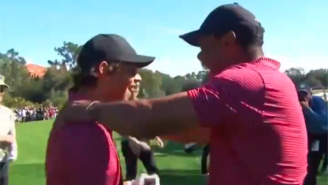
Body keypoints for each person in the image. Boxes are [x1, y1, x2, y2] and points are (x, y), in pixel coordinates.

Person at [59, 3, 308, 185]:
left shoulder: (244, 81)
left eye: (203, 46)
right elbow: (196, 131)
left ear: (228, 41)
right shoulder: (270, 78)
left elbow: (148, 119)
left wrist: (90, 110)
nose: (200, 56)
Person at [45, 34, 155, 185]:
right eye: (131, 71)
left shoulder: (85, 115)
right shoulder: (86, 131)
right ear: (103, 70)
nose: (138, 78)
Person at [121, 74, 163, 184]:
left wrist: (156, 136)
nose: (135, 89)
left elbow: (147, 123)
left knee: (154, 173)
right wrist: (134, 142)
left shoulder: (140, 104)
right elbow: (123, 129)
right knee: (131, 176)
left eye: (137, 87)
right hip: (130, 145)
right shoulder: (123, 105)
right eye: (133, 87)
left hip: (143, 143)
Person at [298, 86, 328, 185]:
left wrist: (307, 109)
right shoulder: (296, 103)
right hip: (308, 136)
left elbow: (321, 124)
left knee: (312, 166)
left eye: (305, 94)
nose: (303, 97)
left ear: (310, 94)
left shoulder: (317, 102)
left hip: (321, 136)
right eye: (300, 94)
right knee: (305, 166)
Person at [0, 75, 18, 185]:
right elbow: (8, 138)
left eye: (2, 90)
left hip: (2, 162)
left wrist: (13, 152)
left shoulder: (7, 113)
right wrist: (5, 139)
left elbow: (12, 136)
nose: (1, 92)